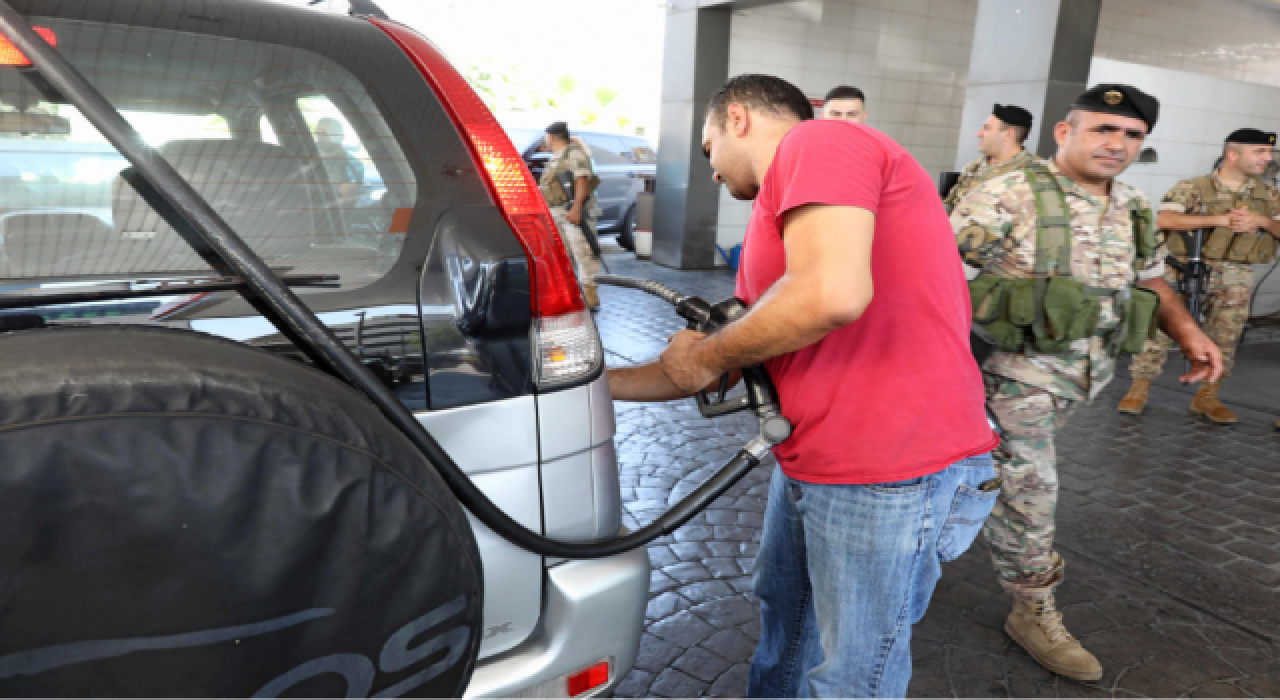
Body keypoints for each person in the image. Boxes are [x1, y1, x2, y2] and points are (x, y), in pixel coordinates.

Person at [608, 74, 999, 699]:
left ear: (737, 119)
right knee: (788, 626)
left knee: (851, 676)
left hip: (890, 469)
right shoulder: (780, 219)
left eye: (709, 150)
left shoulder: (820, 142)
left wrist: (708, 354)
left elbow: (829, 296)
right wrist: (586, 385)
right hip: (816, 460)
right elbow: (731, 353)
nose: (711, 171)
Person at [951, 84, 1224, 681]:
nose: (1118, 144)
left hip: (1083, 379)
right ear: (1064, 132)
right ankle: (1032, 608)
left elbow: (1152, 282)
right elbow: (929, 281)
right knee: (1030, 489)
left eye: (1132, 135)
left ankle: (935, 519)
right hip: (1007, 379)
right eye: (1104, 128)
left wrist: (1188, 331)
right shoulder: (1005, 195)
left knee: (983, 482)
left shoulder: (1132, 206)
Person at [1118, 128, 1280, 422]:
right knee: (1158, 333)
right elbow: (1166, 219)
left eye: (1268, 153)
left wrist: (1263, 221)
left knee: (1225, 337)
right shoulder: (1193, 188)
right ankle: (1138, 389)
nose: (1267, 159)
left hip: (1237, 277)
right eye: (1260, 152)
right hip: (1185, 269)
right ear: (1233, 154)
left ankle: (1208, 397)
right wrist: (1219, 219)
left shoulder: (1268, 195)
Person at [537, 121, 602, 309]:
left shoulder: (574, 153)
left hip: (573, 212)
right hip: (558, 213)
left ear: (551, 137)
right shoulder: (555, 157)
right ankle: (569, 294)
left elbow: (581, 180)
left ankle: (590, 296)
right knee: (563, 255)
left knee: (583, 254)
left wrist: (577, 208)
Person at [943, 104, 1040, 213]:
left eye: (986, 128)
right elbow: (950, 206)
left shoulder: (1037, 172)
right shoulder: (974, 167)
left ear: (1008, 134)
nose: (978, 134)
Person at [315, 117, 364, 199]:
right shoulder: (314, 158)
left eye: (325, 135)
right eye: (317, 134)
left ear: (340, 137)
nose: (320, 139)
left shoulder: (354, 165)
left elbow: (343, 195)